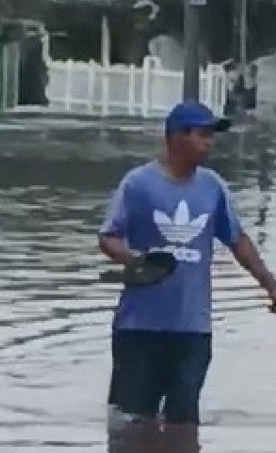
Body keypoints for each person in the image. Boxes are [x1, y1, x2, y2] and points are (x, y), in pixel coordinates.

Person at [99, 100, 276, 426]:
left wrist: (269, 282)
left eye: (211, 136)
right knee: (131, 423)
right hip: (140, 328)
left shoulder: (213, 187)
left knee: (184, 426)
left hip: (192, 329)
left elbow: (237, 240)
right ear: (177, 137)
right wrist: (134, 260)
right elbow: (108, 237)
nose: (209, 143)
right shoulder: (138, 184)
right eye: (202, 135)